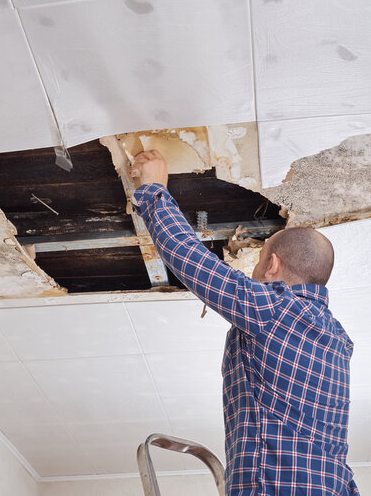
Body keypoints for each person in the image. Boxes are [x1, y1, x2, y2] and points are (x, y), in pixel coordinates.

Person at [131, 150, 359, 495]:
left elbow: (191, 260)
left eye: (257, 264)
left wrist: (153, 190)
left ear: (272, 266)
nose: (253, 275)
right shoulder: (338, 341)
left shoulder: (277, 309)